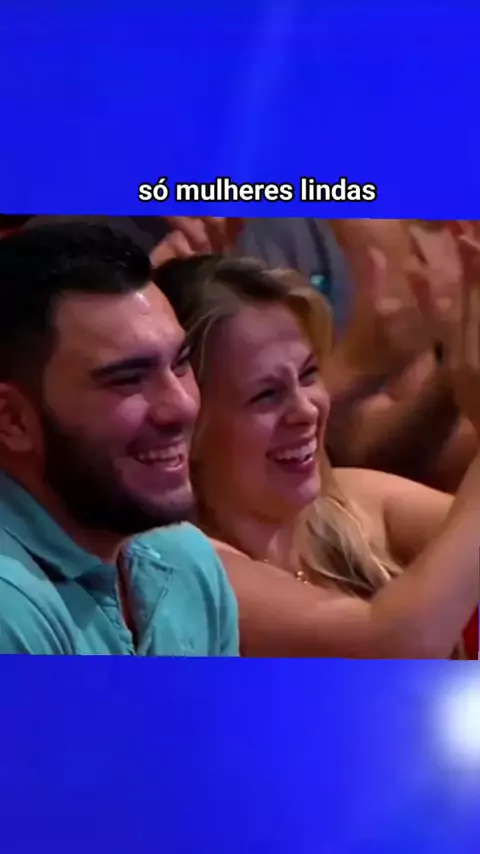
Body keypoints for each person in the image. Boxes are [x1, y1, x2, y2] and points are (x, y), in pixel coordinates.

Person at [154, 250, 480, 658]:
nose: (307, 409)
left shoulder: (356, 501)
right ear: (191, 426)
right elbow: (395, 647)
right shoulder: (189, 566)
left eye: (308, 374)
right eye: (266, 394)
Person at [0, 223, 239, 656]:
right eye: (127, 380)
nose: (181, 406)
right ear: (11, 419)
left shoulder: (186, 559)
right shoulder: (8, 607)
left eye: (181, 363)